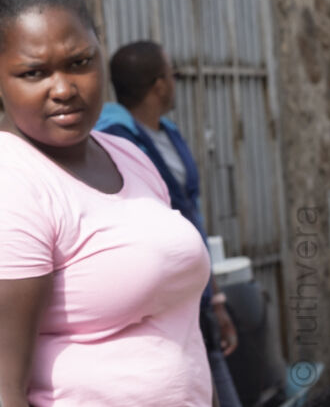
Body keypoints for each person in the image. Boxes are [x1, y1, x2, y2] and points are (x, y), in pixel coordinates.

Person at [0, 0, 213, 407]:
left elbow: (180, 332)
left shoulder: (128, 156)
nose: (64, 88)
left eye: (80, 63)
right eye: (34, 73)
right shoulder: (3, 186)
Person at [96, 40, 242, 407]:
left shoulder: (168, 133)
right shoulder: (115, 140)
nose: (175, 82)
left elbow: (193, 214)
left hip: (198, 299)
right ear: (159, 84)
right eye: (172, 74)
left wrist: (216, 295)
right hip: (162, 307)